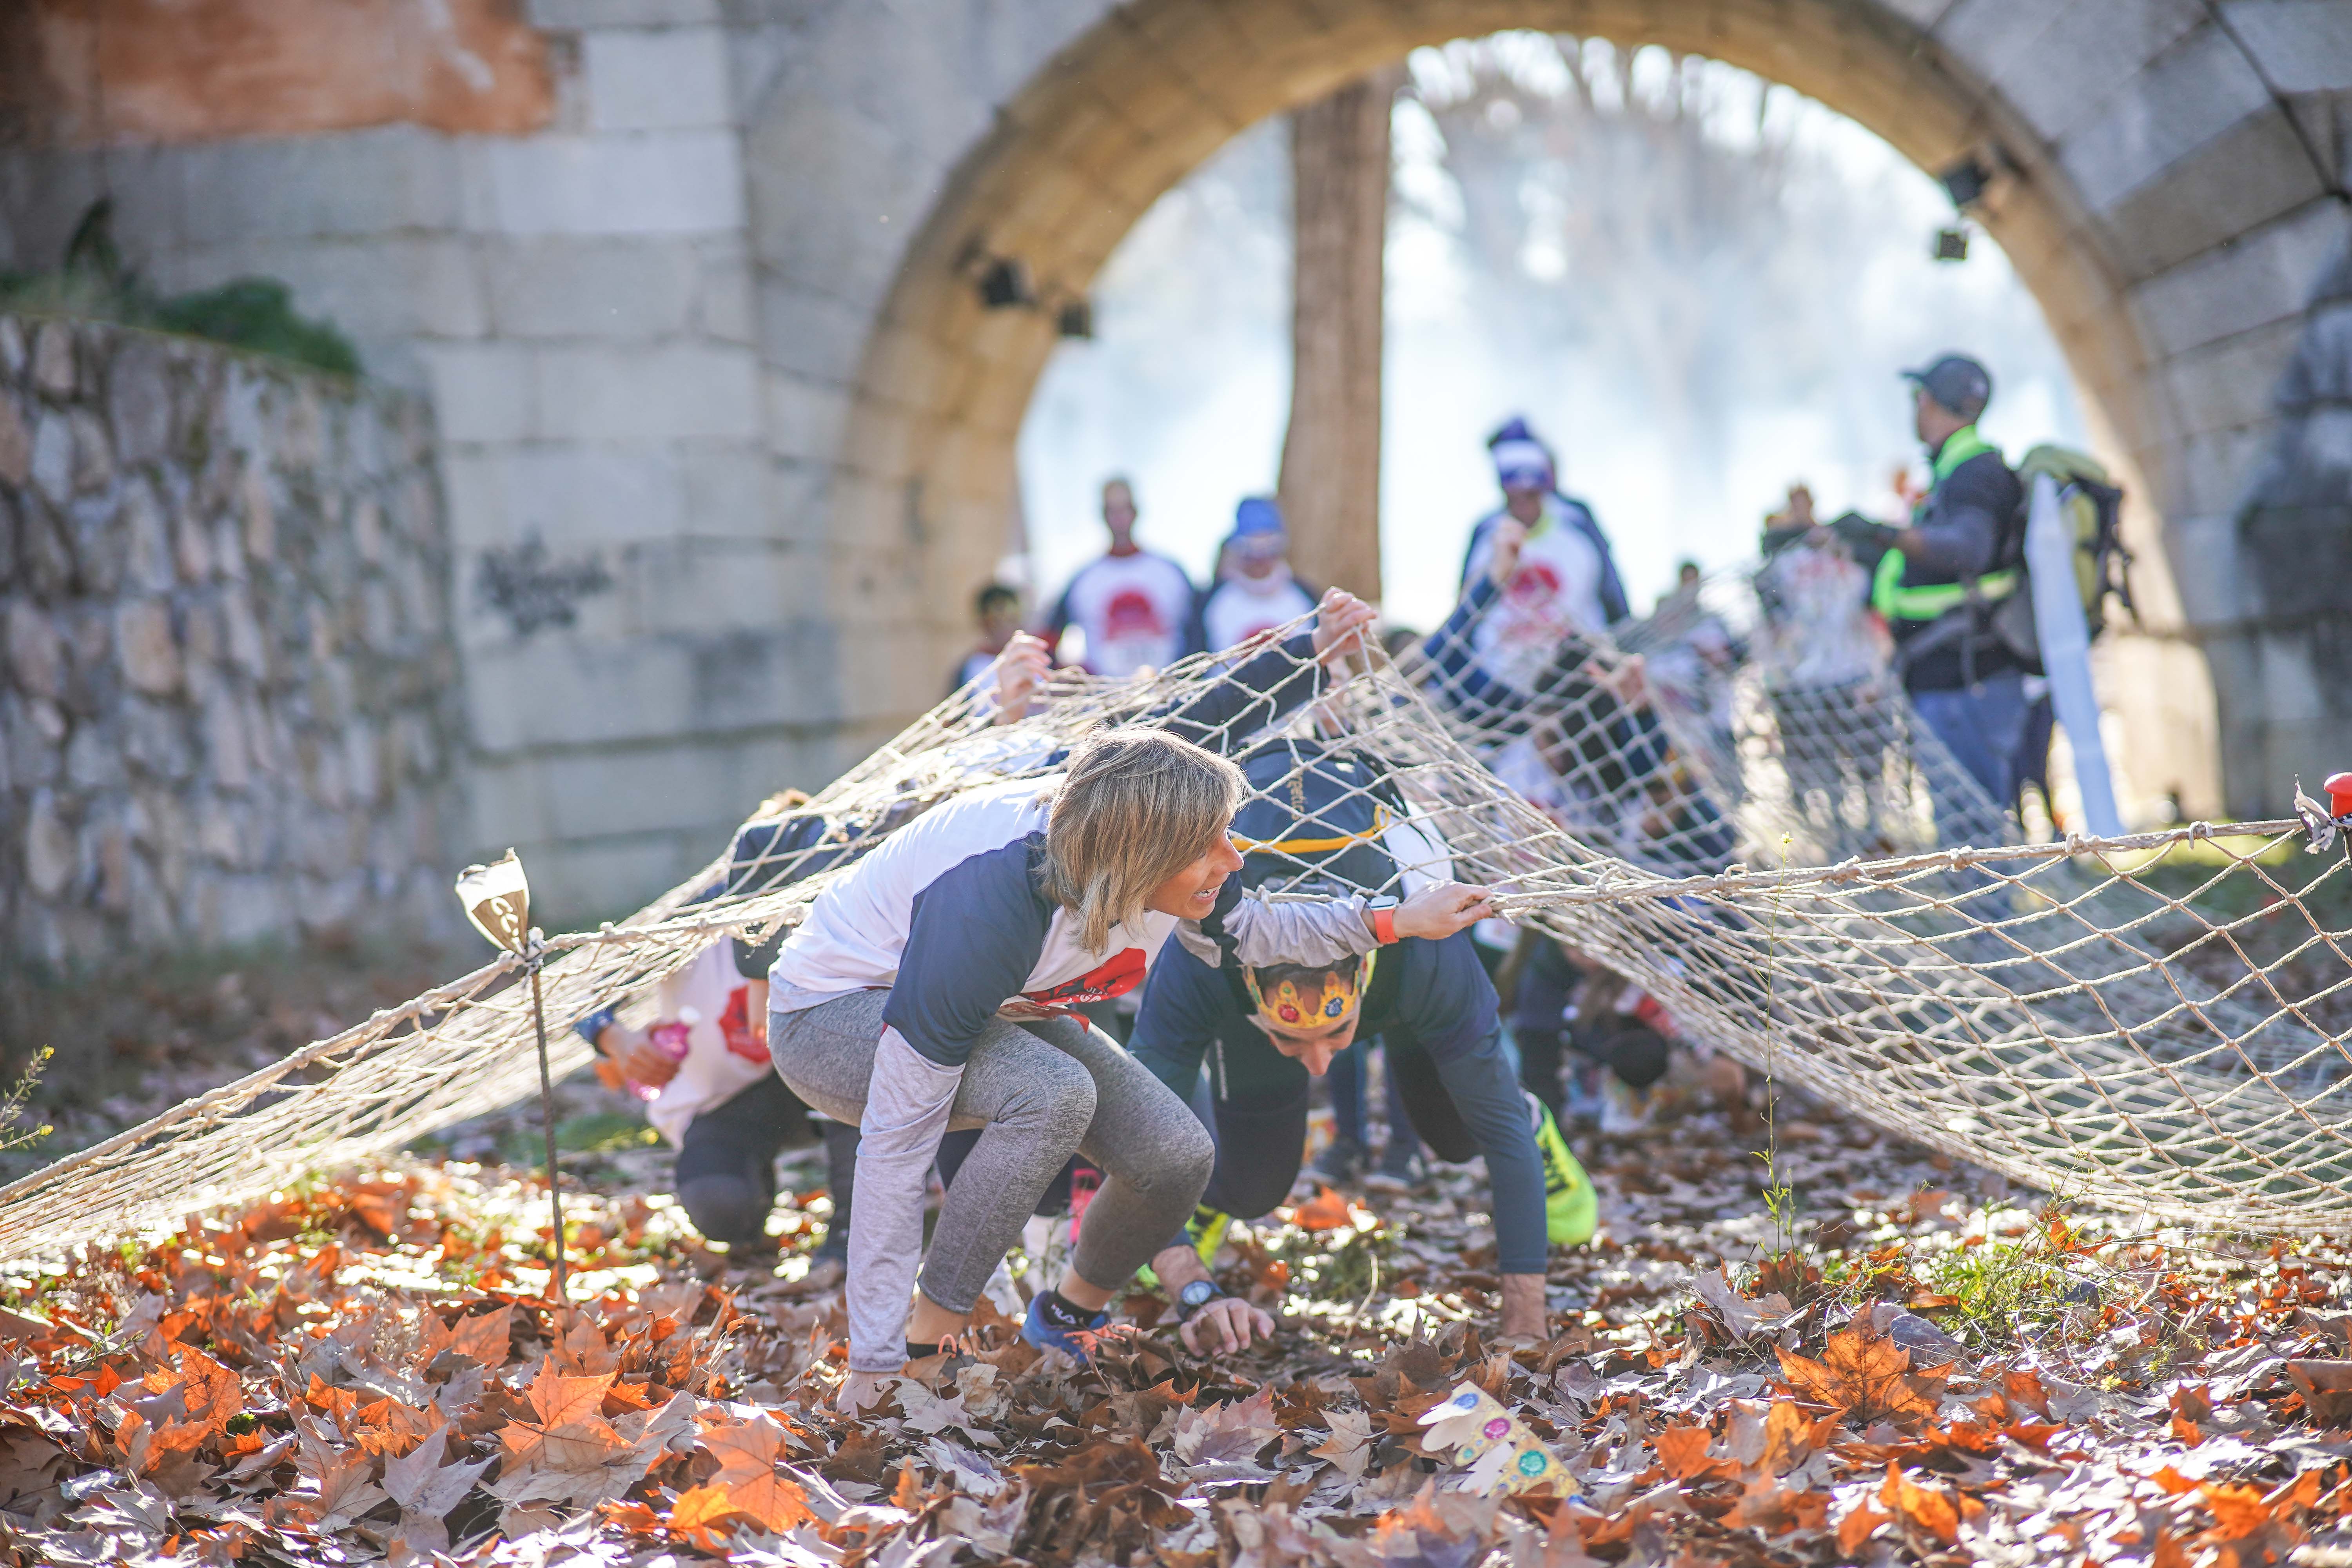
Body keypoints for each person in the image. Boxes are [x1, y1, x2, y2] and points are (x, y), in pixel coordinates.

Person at [764, 592, 1499, 1413]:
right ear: (1143, 856)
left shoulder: (1156, 839)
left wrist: (1397, 917)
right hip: (834, 1016)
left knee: (1174, 1151)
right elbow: (896, 1146)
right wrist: (876, 1353)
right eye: (1214, 845)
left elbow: (1207, 758)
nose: (1236, 854)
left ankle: (1065, 1315)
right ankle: (923, 1350)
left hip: (1002, 1005)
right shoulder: (994, 902)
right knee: (1052, 1093)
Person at [1127, 744, 1595, 1345]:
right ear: (1250, 993)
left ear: (1365, 980)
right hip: (1273, 960)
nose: (1323, 1064)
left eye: (1335, 1035)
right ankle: (1210, 1199)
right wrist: (1186, 1275)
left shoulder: (1429, 954)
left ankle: (1542, 1128)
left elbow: (1497, 1134)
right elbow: (1134, 1128)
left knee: (1459, 1135)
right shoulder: (1200, 960)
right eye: (1295, 1042)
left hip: (1404, 959)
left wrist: (1526, 1326)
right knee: (1252, 1188)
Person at [573, 929, 860, 1287]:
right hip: (729, 1100)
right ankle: (751, 1212)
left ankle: (851, 1242)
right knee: (719, 1203)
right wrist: (615, 1040)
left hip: (833, 1083)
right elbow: (580, 991)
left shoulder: (823, 910)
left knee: (862, 1089)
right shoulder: (692, 921)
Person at [1863, 355, 2029, 810]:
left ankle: (1998, 887)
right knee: (1969, 833)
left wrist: (1884, 535)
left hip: (1966, 683)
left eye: (1918, 397)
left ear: (1931, 402)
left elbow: (1969, 549)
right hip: (1954, 679)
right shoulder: (1954, 470)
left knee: (1974, 834)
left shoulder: (1974, 472)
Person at [1448, 417, 1632, 709]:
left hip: (1574, 683)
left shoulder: (1575, 522)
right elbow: (1466, 609)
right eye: (1514, 495)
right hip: (1502, 685)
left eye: (1531, 494)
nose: (1523, 505)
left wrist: (1623, 647)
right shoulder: (1487, 532)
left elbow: (1612, 596)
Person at [1040, 477, 1198, 677]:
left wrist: (1183, 676)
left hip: (1170, 699)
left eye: (1125, 509)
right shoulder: (1084, 580)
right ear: (1103, 515)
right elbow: (1048, 639)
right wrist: (1074, 676)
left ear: (1136, 512)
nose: (1119, 518)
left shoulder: (1171, 572)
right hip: (1108, 701)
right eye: (1112, 511)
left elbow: (1200, 633)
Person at [1194, 497, 1318, 652]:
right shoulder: (1213, 600)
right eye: (1250, 548)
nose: (1260, 559)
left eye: (1270, 547)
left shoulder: (1304, 596)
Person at [949, 583, 1025, 697]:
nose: (1004, 627)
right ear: (983, 622)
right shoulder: (972, 667)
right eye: (996, 621)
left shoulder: (1037, 659)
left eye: (1010, 619)